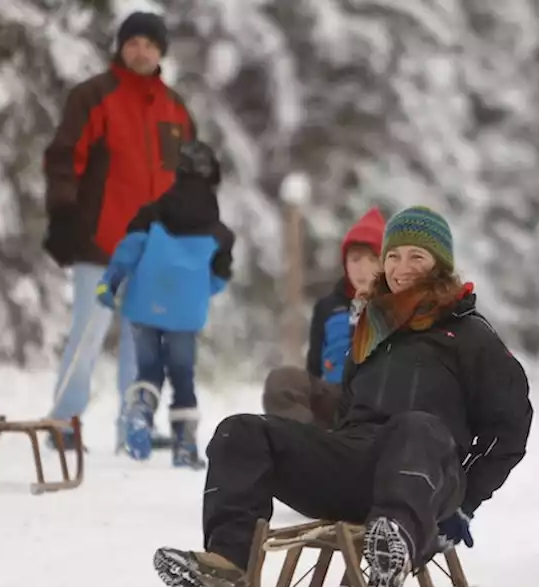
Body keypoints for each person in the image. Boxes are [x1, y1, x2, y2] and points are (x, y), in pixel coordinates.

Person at [151, 206, 534, 587]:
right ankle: (228, 564)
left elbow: (509, 429)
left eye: (416, 257)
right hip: (359, 463)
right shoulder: (371, 330)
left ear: (440, 265)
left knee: (415, 427)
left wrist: (466, 501)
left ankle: (393, 549)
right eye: (393, 256)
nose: (401, 268)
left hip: (428, 475)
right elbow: (347, 410)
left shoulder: (470, 334)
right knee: (240, 432)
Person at [42, 11, 195, 449]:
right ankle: (63, 424)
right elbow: (64, 158)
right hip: (99, 241)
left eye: (150, 44)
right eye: (133, 42)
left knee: (143, 343)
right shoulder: (93, 96)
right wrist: (63, 215)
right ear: (120, 47)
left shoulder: (175, 109)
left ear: (161, 52)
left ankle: (135, 428)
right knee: (88, 332)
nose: (141, 50)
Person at [96, 140, 234, 469]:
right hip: (186, 312)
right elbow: (219, 278)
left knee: (148, 370)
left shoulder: (151, 215)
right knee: (182, 375)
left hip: (144, 304)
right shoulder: (219, 233)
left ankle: (141, 414)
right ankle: (184, 444)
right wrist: (197, 290)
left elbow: (128, 251)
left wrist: (110, 282)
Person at [261, 207, 385, 428]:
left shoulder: (394, 305)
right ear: (345, 263)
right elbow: (314, 368)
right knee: (282, 381)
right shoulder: (328, 307)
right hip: (333, 395)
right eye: (355, 259)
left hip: (376, 399)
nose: (363, 269)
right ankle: (303, 442)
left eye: (372, 259)